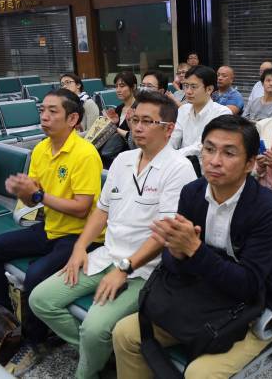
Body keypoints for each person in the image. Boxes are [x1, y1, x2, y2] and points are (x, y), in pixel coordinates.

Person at [111, 115, 272, 379]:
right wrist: (177, 252)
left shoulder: (267, 209)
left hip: (252, 305)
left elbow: (249, 284)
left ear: (250, 163)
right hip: (201, 296)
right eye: (209, 149)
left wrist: (194, 251)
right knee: (125, 334)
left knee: (199, 374)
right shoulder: (193, 192)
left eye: (229, 153)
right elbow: (172, 264)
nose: (214, 161)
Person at [30, 92, 196, 379]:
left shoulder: (179, 169)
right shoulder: (123, 160)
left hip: (144, 270)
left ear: (169, 128)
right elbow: (101, 211)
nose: (138, 127)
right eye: (134, 120)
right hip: (106, 255)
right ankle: (101, 356)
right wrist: (80, 248)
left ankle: (85, 372)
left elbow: (165, 234)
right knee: (40, 300)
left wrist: (125, 268)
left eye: (147, 121)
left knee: (94, 328)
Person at [0, 89, 103, 375]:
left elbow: (81, 208)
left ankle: (35, 341)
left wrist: (37, 195)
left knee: (35, 275)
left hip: (81, 237)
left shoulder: (85, 154)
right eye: (42, 110)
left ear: (73, 119)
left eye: (53, 111)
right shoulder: (42, 149)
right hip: (50, 228)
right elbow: (33, 197)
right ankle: (6, 321)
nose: (44, 116)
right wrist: (21, 190)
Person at [169, 66, 231, 174]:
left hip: (208, 172)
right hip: (182, 167)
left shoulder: (222, 113)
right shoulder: (183, 109)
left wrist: (173, 156)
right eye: (186, 86)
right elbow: (173, 138)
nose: (188, 91)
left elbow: (201, 145)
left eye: (194, 87)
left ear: (209, 89)